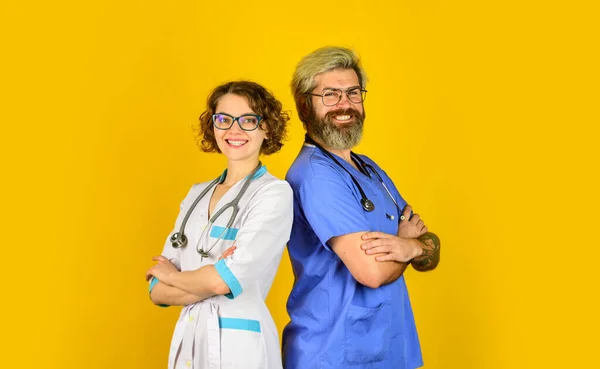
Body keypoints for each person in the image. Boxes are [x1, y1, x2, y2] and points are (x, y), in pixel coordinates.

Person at [282, 46, 441, 369]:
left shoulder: (370, 169)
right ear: (304, 105)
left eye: (353, 93)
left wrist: (409, 246)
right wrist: (410, 247)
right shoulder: (315, 175)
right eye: (330, 95)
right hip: (334, 350)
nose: (345, 105)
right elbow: (371, 272)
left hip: (388, 345)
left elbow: (432, 251)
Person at [145, 81, 293, 369]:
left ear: (266, 128)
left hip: (241, 346)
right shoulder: (195, 194)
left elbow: (221, 280)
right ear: (212, 126)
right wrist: (212, 276)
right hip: (190, 338)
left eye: (248, 120)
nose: (233, 130)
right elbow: (156, 290)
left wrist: (174, 276)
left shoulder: (273, 194)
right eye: (223, 119)